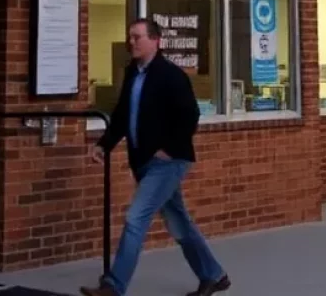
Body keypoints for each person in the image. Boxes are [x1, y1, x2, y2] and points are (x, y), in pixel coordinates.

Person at [82, 18, 230, 296]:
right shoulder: (132, 73)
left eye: (137, 37)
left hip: (168, 161)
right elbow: (123, 114)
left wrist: (168, 149)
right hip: (143, 161)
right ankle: (214, 274)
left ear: (155, 40)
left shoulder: (171, 75)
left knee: (135, 217)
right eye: (130, 37)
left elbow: (190, 116)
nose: (131, 42)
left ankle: (114, 287)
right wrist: (104, 144)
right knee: (178, 221)